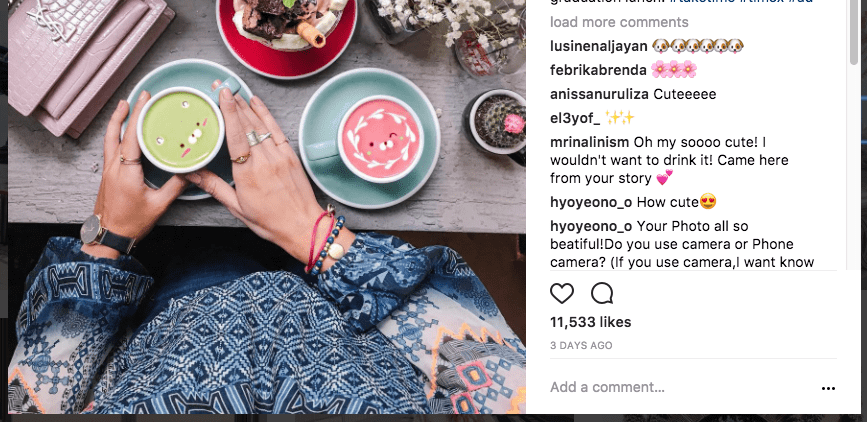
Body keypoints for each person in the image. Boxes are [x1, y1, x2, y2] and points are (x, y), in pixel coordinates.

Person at [7, 88, 526, 414]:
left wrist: (107, 242)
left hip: (162, 323)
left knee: (201, 256)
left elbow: (32, 399)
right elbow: (496, 378)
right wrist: (316, 236)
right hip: (353, 321)